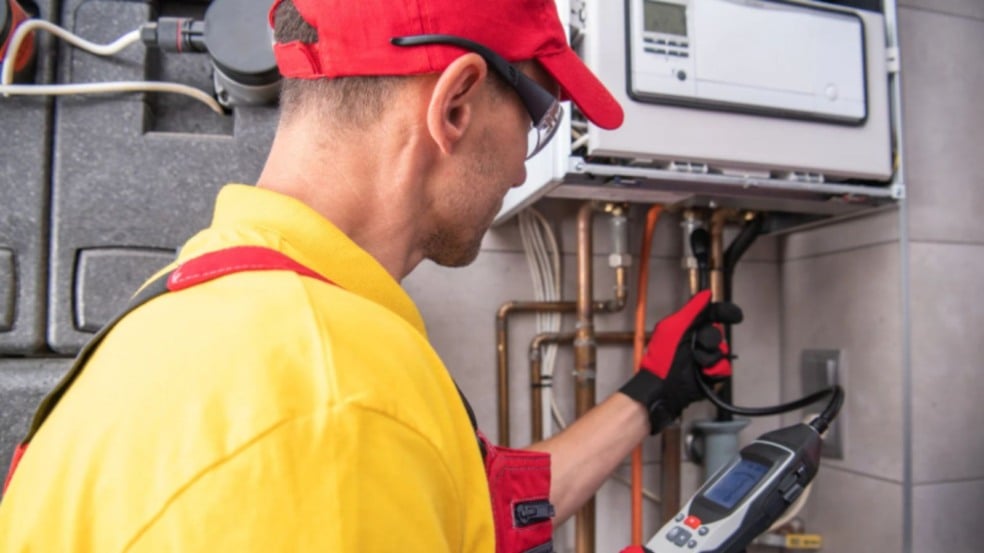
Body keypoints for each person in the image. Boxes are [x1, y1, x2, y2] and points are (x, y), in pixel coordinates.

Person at [0, 0, 740, 550]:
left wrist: (652, 391)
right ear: (454, 105)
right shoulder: (338, 406)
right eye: (539, 115)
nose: (521, 163)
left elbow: (475, 502)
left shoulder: (182, 311)